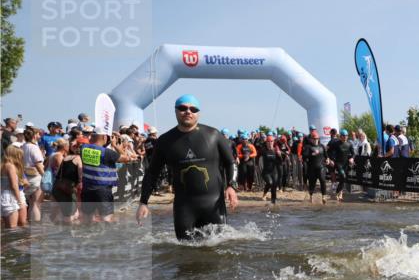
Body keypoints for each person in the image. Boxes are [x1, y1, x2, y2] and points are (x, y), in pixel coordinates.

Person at [136, 94, 239, 240]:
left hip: (214, 204)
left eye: (193, 109)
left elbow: (231, 163)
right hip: (184, 207)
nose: (188, 111)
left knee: (218, 251)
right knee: (184, 251)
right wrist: (143, 202)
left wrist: (231, 186)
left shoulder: (213, 135)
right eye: (183, 108)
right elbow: (152, 173)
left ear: (198, 113)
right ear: (176, 111)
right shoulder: (165, 141)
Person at [79, 131, 125, 223]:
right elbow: (126, 158)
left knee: (87, 218)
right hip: (103, 189)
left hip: (87, 188)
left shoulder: (83, 148)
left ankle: (86, 236)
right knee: (106, 218)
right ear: (104, 137)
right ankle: (105, 236)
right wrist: (115, 145)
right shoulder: (107, 152)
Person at [51, 137, 82, 222]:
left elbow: (57, 173)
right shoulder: (77, 158)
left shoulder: (65, 158)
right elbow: (80, 176)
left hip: (57, 187)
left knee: (65, 213)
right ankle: (66, 233)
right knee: (69, 215)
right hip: (67, 189)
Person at [21, 126, 46, 222]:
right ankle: (36, 226)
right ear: (35, 135)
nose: (40, 136)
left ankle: (29, 223)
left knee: (31, 203)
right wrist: (45, 176)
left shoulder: (23, 146)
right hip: (35, 178)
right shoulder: (34, 147)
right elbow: (39, 164)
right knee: (36, 204)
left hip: (25, 177)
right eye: (39, 134)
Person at [1, 144, 29, 228]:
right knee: (12, 227)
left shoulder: (4, 165)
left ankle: (19, 240)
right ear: (14, 155)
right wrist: (19, 201)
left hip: (9, 194)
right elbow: (14, 185)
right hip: (11, 196)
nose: (21, 157)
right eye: (20, 155)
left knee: (20, 223)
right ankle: (12, 240)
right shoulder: (10, 166)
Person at [301, 128, 328, 203]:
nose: (315, 140)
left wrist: (328, 159)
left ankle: (324, 197)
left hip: (321, 167)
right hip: (312, 168)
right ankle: (311, 196)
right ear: (311, 139)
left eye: (317, 139)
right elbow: (304, 156)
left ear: (318, 139)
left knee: (323, 180)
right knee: (312, 184)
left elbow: (326, 155)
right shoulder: (308, 147)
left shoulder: (322, 146)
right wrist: (311, 154)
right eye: (314, 139)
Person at [327, 128, 352, 201]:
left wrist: (352, 158)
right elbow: (328, 152)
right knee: (343, 176)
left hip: (345, 164)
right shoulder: (336, 143)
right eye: (343, 136)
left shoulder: (349, 144)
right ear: (340, 136)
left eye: (346, 136)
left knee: (342, 179)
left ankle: (339, 193)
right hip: (338, 163)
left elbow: (353, 153)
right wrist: (330, 159)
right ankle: (338, 192)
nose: (345, 137)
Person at [258, 135, 281, 205]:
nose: (270, 143)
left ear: (273, 142)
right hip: (266, 172)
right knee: (270, 183)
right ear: (266, 142)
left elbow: (280, 162)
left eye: (271, 141)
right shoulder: (263, 150)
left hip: (274, 172)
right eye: (268, 141)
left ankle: (273, 202)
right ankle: (264, 194)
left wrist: (279, 155)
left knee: (274, 186)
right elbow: (257, 155)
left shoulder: (276, 150)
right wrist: (256, 164)